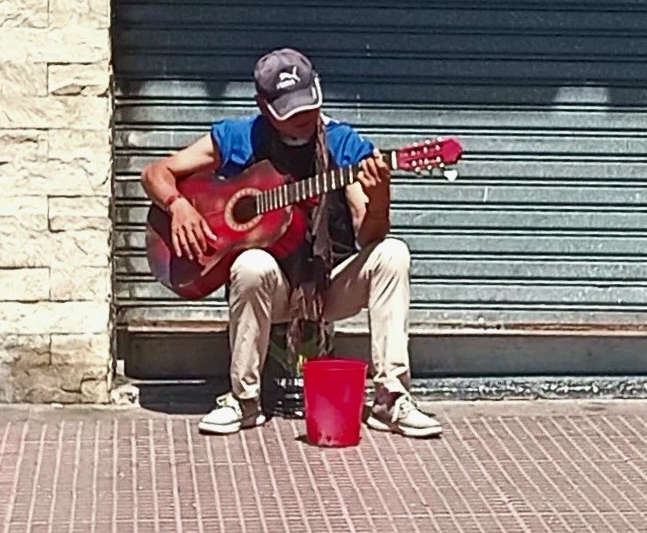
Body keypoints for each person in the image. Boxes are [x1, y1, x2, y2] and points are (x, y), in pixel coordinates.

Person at [140, 48, 442, 438]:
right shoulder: (239, 138)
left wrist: (380, 195)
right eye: (290, 112)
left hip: (329, 284)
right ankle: (244, 401)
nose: (302, 120)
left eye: (307, 107)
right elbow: (155, 172)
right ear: (264, 107)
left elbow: (370, 236)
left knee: (393, 253)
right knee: (250, 264)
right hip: (274, 290)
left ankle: (390, 399)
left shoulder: (341, 144)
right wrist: (177, 204)